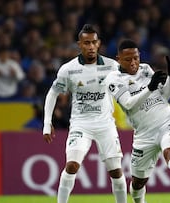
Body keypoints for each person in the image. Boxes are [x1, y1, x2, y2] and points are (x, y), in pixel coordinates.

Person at [42, 24, 127, 203]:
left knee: (116, 171)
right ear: (79, 44)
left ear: (99, 44)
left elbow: (129, 85)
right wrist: (47, 123)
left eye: (93, 42)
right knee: (72, 165)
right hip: (81, 124)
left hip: (105, 125)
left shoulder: (112, 66)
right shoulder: (69, 69)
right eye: (86, 43)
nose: (90, 46)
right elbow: (53, 93)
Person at [105, 39, 170, 203]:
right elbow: (128, 103)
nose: (133, 62)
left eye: (136, 58)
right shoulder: (113, 79)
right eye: (128, 59)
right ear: (118, 59)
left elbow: (163, 96)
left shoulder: (145, 69)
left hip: (166, 122)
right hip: (144, 135)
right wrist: (149, 87)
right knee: (137, 184)